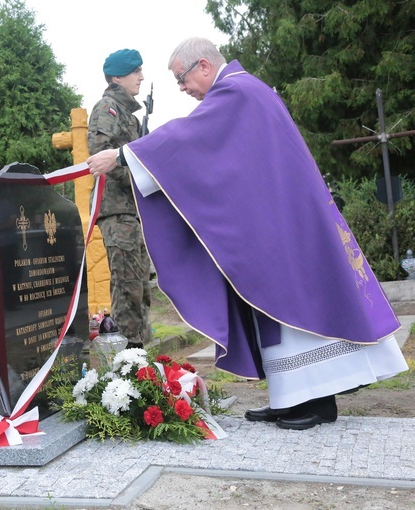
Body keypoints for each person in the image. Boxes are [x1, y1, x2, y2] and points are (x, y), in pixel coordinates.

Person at [86, 37, 409, 431]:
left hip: (287, 228)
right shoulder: (240, 89)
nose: (182, 89)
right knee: (278, 312)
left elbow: (191, 136)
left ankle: (319, 402)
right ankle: (291, 397)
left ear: (203, 66)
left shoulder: (236, 91)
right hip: (274, 222)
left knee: (297, 309)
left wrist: (123, 155)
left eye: (182, 79)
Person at [87, 48, 152, 349]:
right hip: (117, 211)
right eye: (135, 71)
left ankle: (141, 352)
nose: (140, 76)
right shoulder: (108, 108)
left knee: (140, 286)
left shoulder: (128, 114)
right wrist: (137, 179)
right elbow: (100, 153)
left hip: (133, 211)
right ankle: (128, 357)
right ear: (117, 77)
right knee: (127, 286)